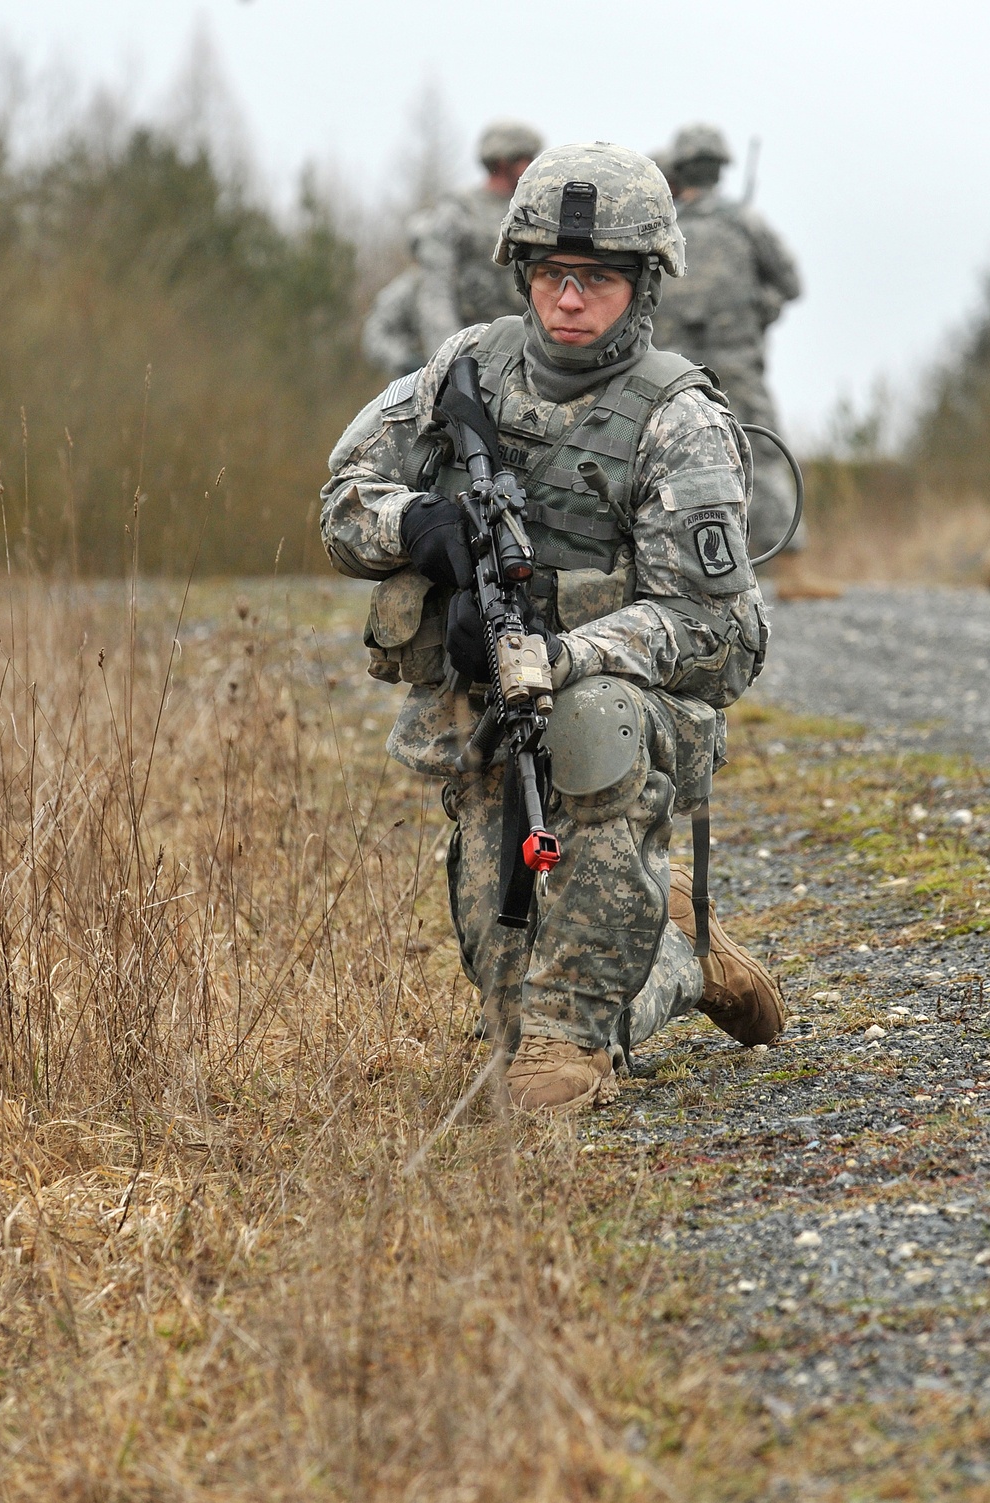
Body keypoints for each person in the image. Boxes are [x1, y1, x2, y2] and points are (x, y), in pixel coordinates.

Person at [321, 142, 784, 1114]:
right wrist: (419, 525)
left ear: (643, 282)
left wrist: (568, 655)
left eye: (599, 279)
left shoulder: (680, 420)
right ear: (523, 271)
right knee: (506, 1004)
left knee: (546, 1065)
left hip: (632, 713)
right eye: (551, 275)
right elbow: (342, 496)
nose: (569, 299)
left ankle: (600, 1016)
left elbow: (708, 624)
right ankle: (677, 949)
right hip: (487, 710)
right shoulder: (466, 369)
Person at [650, 123, 841, 600]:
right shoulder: (744, 222)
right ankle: (791, 569)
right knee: (767, 454)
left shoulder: (660, 227)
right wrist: (760, 308)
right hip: (736, 362)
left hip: (671, 370)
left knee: (670, 458)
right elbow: (791, 284)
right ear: (721, 168)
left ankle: (678, 571)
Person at [412, 119, 544, 358]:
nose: (533, 166)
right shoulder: (458, 212)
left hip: (525, 347)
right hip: (472, 346)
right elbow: (436, 293)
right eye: (527, 158)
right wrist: (452, 359)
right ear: (504, 161)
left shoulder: (533, 210)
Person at [361, 211, 430, 378]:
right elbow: (375, 335)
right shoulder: (404, 291)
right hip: (420, 383)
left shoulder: (463, 286)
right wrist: (405, 360)